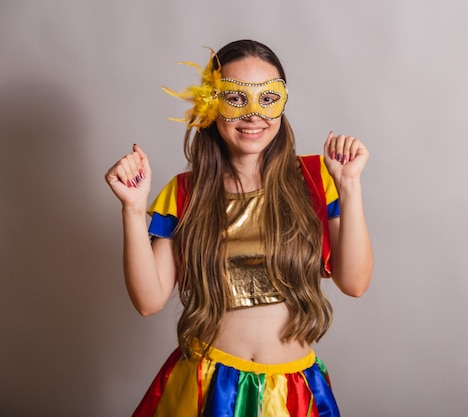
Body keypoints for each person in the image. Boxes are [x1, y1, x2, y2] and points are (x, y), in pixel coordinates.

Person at [105, 39, 373, 417]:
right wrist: (133, 210)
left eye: (267, 99)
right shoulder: (185, 193)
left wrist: (349, 185)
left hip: (292, 392)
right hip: (207, 386)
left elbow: (355, 283)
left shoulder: (317, 180)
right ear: (211, 106)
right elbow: (149, 302)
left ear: (282, 103)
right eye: (235, 99)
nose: (253, 114)